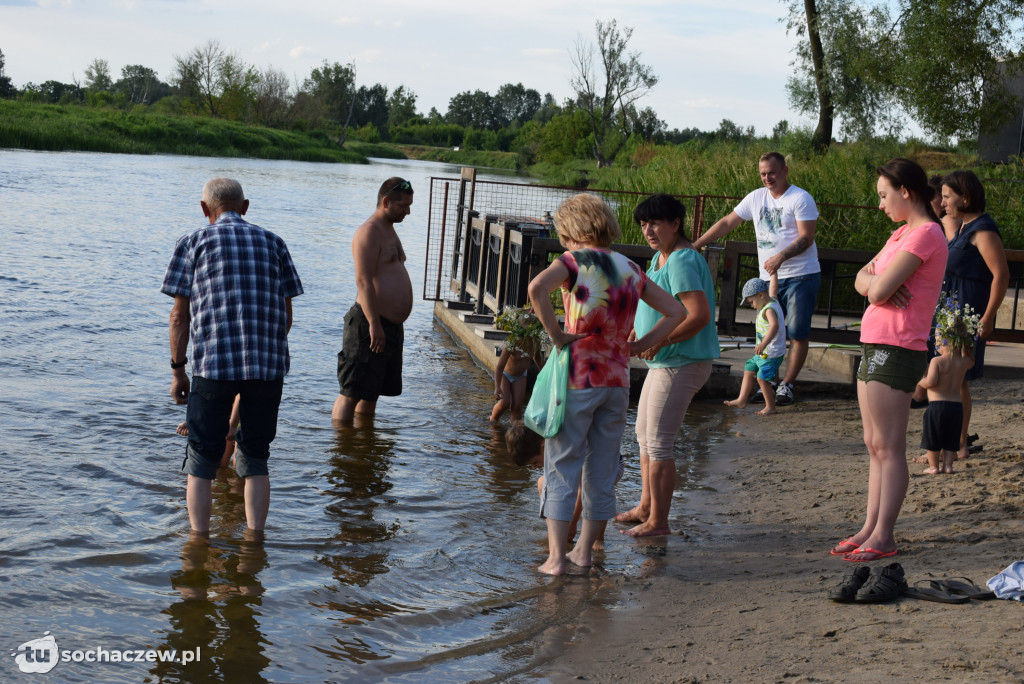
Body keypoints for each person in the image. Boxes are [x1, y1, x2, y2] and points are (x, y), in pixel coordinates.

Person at [527, 193, 684, 575]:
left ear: (573, 229)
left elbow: (536, 290)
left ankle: (555, 559)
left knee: (562, 466)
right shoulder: (631, 267)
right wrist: (639, 346)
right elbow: (677, 311)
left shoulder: (573, 262)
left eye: (564, 233)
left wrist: (557, 335)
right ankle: (583, 553)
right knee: (600, 472)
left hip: (578, 380)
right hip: (617, 381)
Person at [162, 177, 304, 535]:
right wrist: (263, 350)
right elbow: (286, 315)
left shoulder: (193, 242)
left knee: (201, 460)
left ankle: (198, 542)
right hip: (267, 370)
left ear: (205, 209)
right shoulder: (274, 242)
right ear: (245, 207)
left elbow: (180, 316)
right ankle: (255, 539)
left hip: (213, 367)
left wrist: (179, 371)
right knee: (256, 458)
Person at [831, 158, 947, 562]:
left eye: (884, 196)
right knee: (873, 443)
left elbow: (878, 288)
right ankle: (870, 527)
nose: (880, 205)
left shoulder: (927, 233)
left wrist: (877, 286)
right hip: (876, 341)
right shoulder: (902, 233)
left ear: (906, 192)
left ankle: (884, 534)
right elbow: (865, 280)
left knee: (889, 445)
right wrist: (874, 285)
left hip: (898, 346)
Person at [614, 194, 720, 537]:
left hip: (682, 361)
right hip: (666, 362)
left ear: (676, 223)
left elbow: (699, 315)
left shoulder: (682, 259)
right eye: (644, 224)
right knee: (644, 436)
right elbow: (659, 306)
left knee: (659, 441)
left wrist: (660, 340)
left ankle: (658, 521)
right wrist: (639, 329)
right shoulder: (664, 257)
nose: (648, 230)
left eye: (656, 222)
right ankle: (646, 507)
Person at [692, 151, 820, 406]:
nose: (767, 178)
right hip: (768, 279)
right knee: (769, 330)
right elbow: (729, 222)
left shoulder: (800, 198)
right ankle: (770, 382)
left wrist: (781, 256)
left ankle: (788, 385)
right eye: (763, 174)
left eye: (771, 172)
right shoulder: (755, 197)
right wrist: (697, 244)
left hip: (800, 275)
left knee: (796, 332)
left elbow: (807, 237)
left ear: (785, 170)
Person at [934, 170, 1009, 459]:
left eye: (947, 196)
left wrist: (989, 316)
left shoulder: (982, 230)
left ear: (965, 197)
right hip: (954, 309)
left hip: (967, 311)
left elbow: (1001, 274)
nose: (942, 202)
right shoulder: (966, 226)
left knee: (955, 380)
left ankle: (956, 444)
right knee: (952, 381)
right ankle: (950, 443)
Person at [332, 178, 415, 425]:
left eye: (410, 205)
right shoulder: (368, 231)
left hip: (389, 326)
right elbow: (363, 281)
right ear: (385, 201)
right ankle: (341, 448)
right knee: (351, 391)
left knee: (371, 392)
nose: (408, 211)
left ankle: (362, 448)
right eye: (403, 206)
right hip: (369, 323)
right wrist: (374, 324)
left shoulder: (389, 229)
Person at [505, 420, 624, 549]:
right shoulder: (550, 448)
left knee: (593, 491)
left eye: (534, 462)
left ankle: (598, 539)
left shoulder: (569, 447)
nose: (534, 467)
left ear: (544, 447)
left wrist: (572, 523)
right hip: (581, 469)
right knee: (542, 483)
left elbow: (582, 488)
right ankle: (555, 530)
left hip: (610, 466)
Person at [918, 302, 977, 474]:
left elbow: (931, 382)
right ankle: (948, 466)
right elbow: (972, 362)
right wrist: (966, 347)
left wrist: (920, 381)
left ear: (947, 340)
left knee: (933, 437)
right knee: (951, 437)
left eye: (938, 340)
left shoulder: (937, 361)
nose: (936, 343)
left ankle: (934, 466)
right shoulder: (963, 362)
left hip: (937, 407)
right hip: (956, 407)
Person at [723, 274, 786, 416]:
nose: (752, 306)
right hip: (764, 352)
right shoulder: (773, 300)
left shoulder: (769, 310)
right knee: (749, 367)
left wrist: (763, 344)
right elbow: (774, 289)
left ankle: (770, 407)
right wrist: (773, 274)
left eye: (751, 302)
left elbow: (774, 326)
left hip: (771, 352)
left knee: (762, 378)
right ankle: (741, 400)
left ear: (761, 295)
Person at [491, 308, 546, 422]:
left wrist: (545, 375)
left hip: (521, 375)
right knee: (505, 403)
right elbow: (499, 367)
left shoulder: (535, 343)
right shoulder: (512, 343)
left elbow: (538, 359)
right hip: (505, 375)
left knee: (517, 405)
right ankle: (493, 419)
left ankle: (515, 430)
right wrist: (497, 387)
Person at [177, 394, 241, 469]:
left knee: (239, 468)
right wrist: (195, 421)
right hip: (225, 419)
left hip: (244, 421)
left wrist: (233, 425)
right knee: (219, 466)